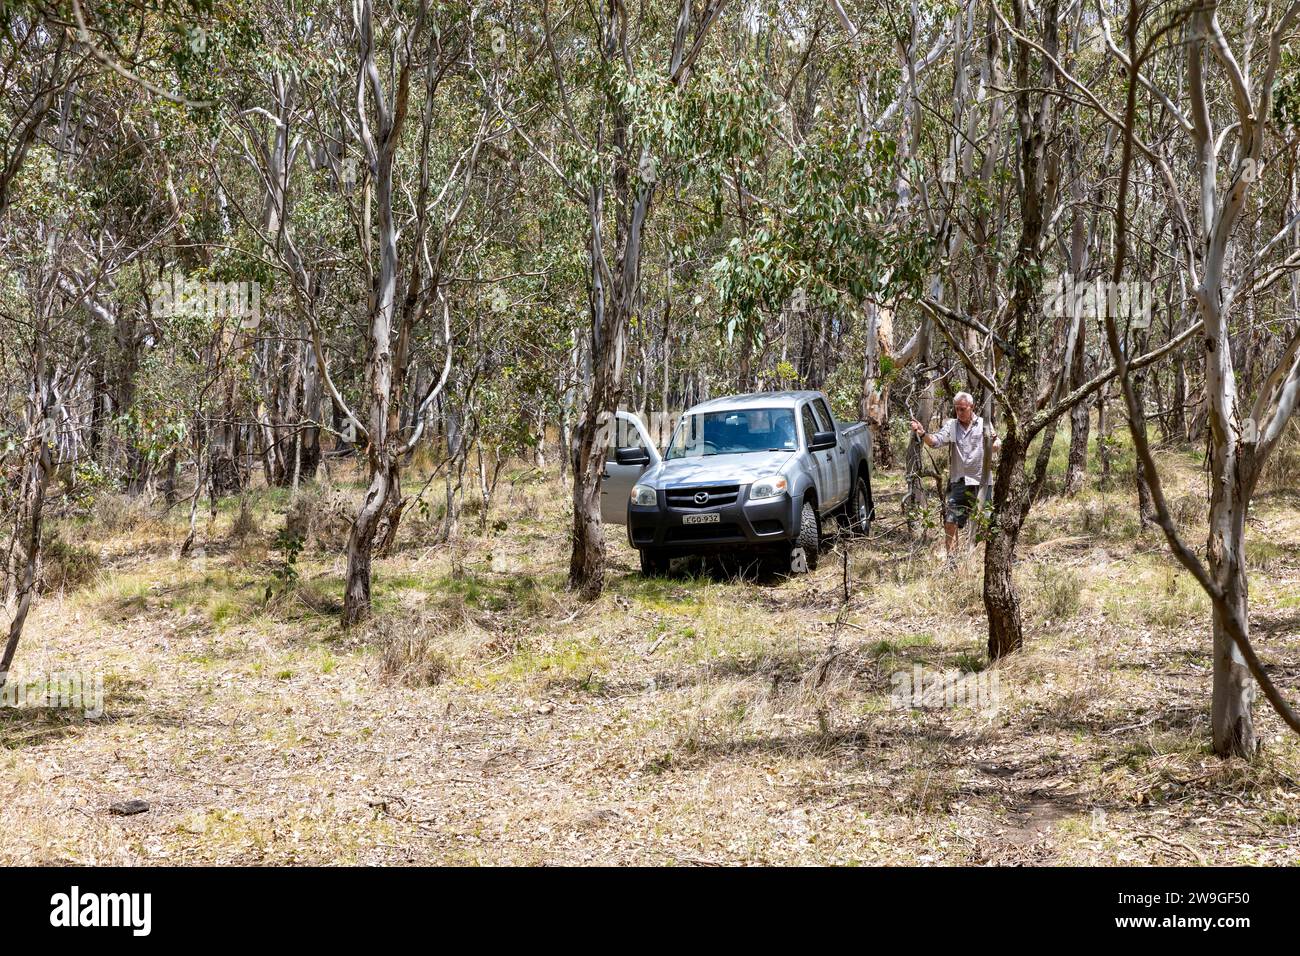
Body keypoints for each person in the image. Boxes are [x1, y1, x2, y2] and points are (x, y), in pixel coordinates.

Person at [910, 393, 1000, 561]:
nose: (959, 412)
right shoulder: (952, 426)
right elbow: (935, 441)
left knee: (987, 522)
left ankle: (987, 560)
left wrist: (994, 443)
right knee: (950, 521)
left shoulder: (983, 424)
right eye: (957, 409)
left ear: (971, 407)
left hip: (982, 481)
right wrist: (922, 434)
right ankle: (952, 560)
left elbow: (996, 445)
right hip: (960, 482)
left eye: (963, 409)